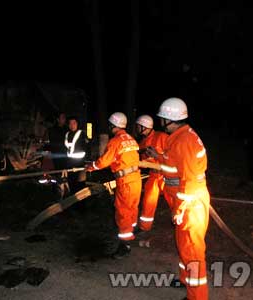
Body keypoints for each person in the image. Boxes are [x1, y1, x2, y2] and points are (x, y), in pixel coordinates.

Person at [146, 98, 209, 300]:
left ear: (169, 120)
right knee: (184, 245)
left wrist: (180, 209)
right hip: (186, 201)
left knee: (192, 252)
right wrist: (158, 155)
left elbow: (189, 180)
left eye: (162, 118)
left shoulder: (184, 141)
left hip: (190, 203)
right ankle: (185, 279)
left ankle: (197, 297)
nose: (160, 122)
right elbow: (174, 162)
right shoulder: (179, 137)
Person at [86, 112, 142, 258]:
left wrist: (92, 166)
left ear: (113, 125)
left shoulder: (115, 141)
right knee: (132, 208)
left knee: (122, 212)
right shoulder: (131, 139)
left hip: (125, 181)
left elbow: (104, 161)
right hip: (136, 178)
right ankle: (131, 232)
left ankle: (125, 245)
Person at [134, 115, 169, 233]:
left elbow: (173, 154)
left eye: (138, 126)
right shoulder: (142, 143)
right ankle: (144, 227)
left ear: (144, 127)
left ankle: (183, 222)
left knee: (175, 200)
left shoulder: (162, 137)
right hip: (153, 175)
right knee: (148, 202)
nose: (137, 128)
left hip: (166, 175)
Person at [64, 115, 88, 194]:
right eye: (70, 123)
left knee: (80, 186)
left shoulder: (82, 133)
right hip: (69, 164)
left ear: (77, 124)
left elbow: (88, 147)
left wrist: (85, 163)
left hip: (80, 164)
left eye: (74, 123)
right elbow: (65, 149)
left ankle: (81, 204)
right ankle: (73, 203)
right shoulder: (67, 134)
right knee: (71, 185)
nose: (72, 125)